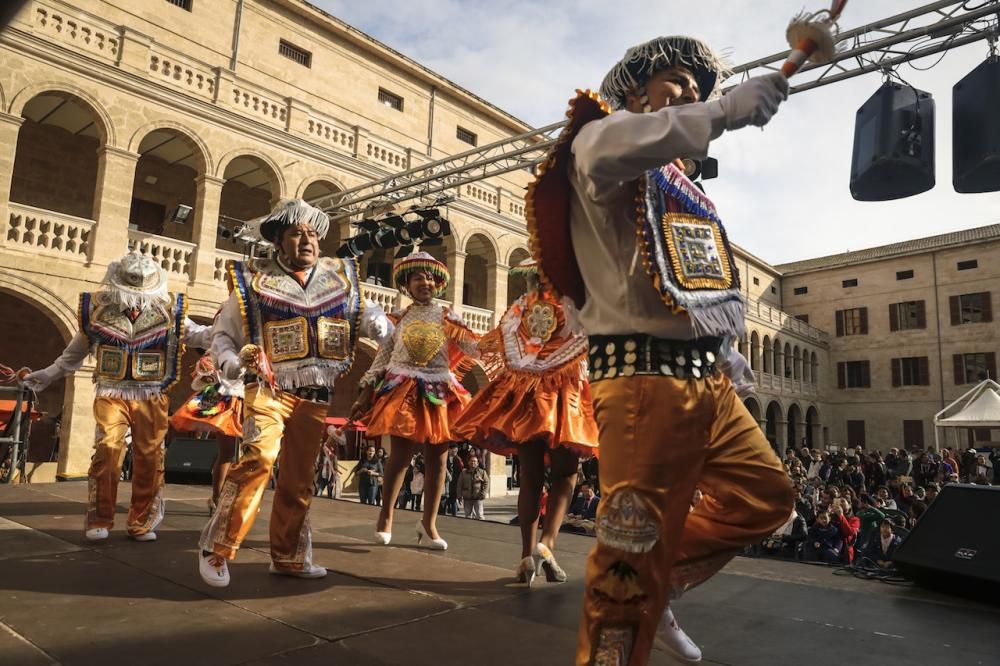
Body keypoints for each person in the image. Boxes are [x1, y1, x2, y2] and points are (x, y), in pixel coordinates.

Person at [526, 35, 794, 664]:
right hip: (643, 380)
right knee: (627, 553)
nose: (691, 94)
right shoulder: (600, 139)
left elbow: (684, 280)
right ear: (633, 91)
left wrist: (722, 345)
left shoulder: (678, 188)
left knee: (767, 497)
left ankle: (662, 578)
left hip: (706, 382)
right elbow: (633, 141)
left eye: (699, 90)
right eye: (676, 82)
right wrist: (723, 113)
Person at [197, 199, 390, 587]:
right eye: (297, 233)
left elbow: (362, 313)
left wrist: (378, 322)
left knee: (300, 479)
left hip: (316, 394)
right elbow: (223, 336)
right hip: (268, 388)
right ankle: (217, 548)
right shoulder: (253, 281)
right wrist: (232, 364)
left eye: (313, 234)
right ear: (279, 241)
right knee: (258, 458)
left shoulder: (341, 277)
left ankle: (288, 555)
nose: (307, 240)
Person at [24, 252, 210, 542]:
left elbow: (200, 336)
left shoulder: (170, 312)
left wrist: (235, 331)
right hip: (112, 392)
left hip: (152, 393)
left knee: (149, 456)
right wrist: (48, 374)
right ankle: (100, 518)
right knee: (108, 449)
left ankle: (142, 520)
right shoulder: (98, 311)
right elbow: (73, 354)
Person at [455, 257, 599, 586]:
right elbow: (591, 335)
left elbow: (501, 339)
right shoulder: (574, 303)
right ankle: (546, 544)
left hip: (523, 392)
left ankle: (525, 557)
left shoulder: (523, 305)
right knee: (566, 474)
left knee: (530, 478)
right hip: (562, 392)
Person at [349, 251, 479, 550]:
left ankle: (429, 524)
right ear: (407, 285)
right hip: (405, 388)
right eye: (419, 278)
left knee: (439, 460)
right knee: (399, 457)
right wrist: (364, 391)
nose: (426, 282)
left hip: (439, 389)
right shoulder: (398, 319)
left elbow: (473, 351)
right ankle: (386, 516)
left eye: (430, 278)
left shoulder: (448, 318)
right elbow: (381, 359)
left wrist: (470, 335)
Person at [169, 351, 242, 514]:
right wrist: (210, 372)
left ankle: (244, 497)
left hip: (251, 397)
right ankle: (217, 498)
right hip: (227, 398)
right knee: (227, 452)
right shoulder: (223, 336)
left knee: (255, 452)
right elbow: (207, 361)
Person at [457, 454, 489, 520]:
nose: (473, 463)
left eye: (475, 461)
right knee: (468, 516)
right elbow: (459, 485)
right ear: (468, 462)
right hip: (467, 498)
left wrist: (483, 493)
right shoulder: (464, 473)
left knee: (480, 515)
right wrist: (459, 496)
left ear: (477, 463)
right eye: (471, 461)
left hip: (478, 497)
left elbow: (486, 483)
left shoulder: (482, 472)